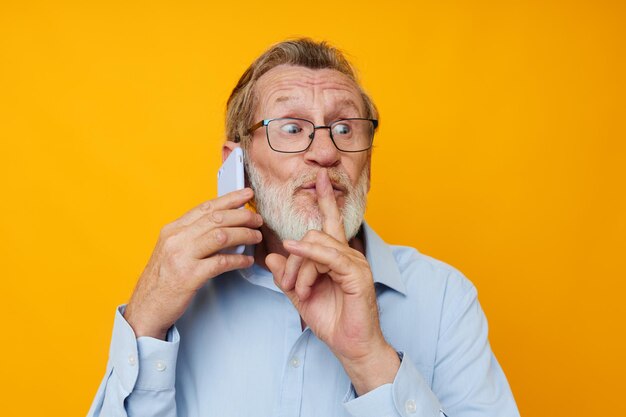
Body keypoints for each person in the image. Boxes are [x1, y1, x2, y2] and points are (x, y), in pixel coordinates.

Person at [87, 38, 519, 417]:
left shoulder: (445, 298)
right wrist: (144, 323)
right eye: (292, 128)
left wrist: (370, 360)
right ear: (237, 164)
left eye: (345, 127)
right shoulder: (181, 297)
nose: (326, 152)